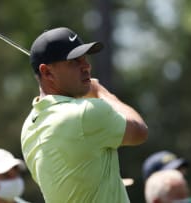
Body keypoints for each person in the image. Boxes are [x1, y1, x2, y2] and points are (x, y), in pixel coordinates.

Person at [21, 27, 148, 203]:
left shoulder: (29, 126)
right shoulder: (86, 112)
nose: (86, 66)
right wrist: (101, 92)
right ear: (47, 72)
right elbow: (140, 131)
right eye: (74, 62)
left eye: (84, 59)